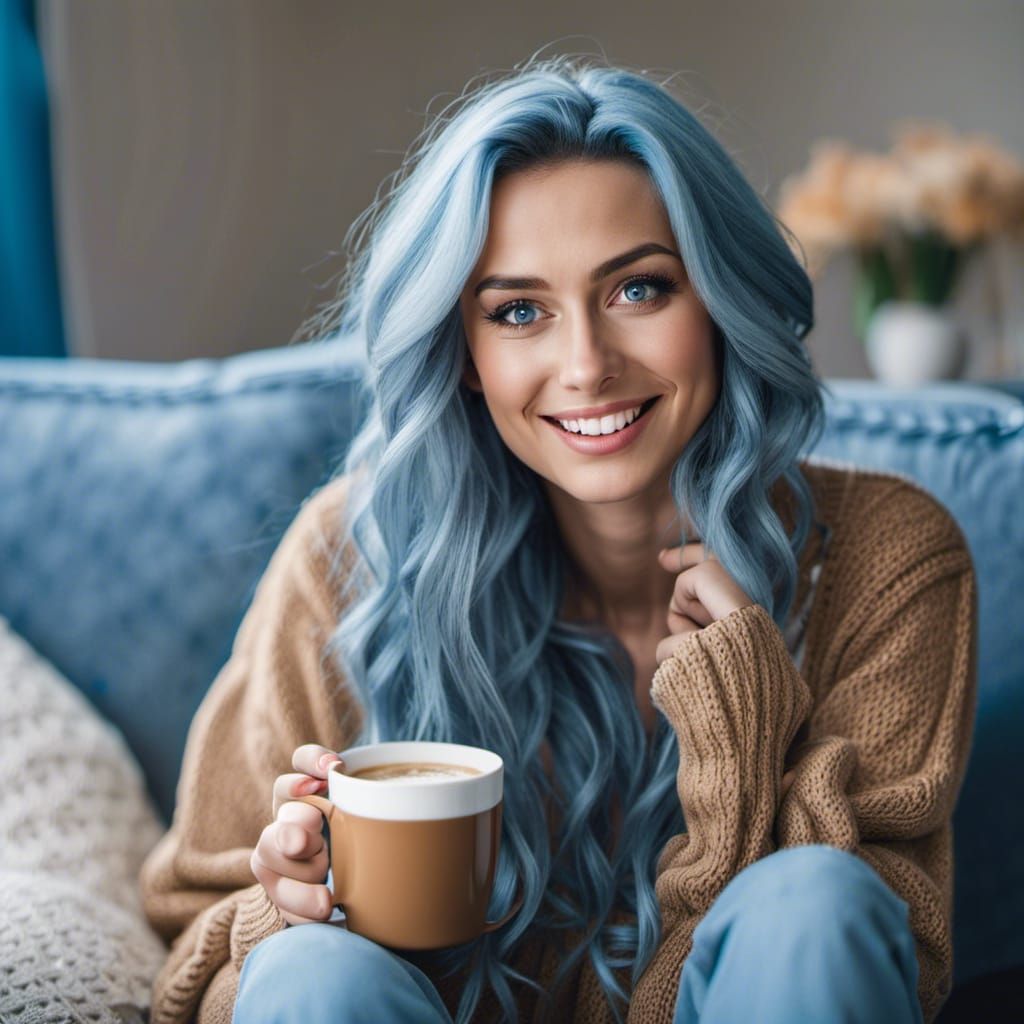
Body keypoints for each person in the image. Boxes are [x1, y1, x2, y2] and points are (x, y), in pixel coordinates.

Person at [139, 53, 978, 1024]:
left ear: (717, 301)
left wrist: (738, 724)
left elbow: (886, 951)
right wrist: (295, 908)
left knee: (816, 900)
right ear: (463, 353)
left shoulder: (885, 556)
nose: (585, 365)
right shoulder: (351, 558)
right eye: (519, 310)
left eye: (638, 290)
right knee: (308, 974)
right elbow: (188, 943)